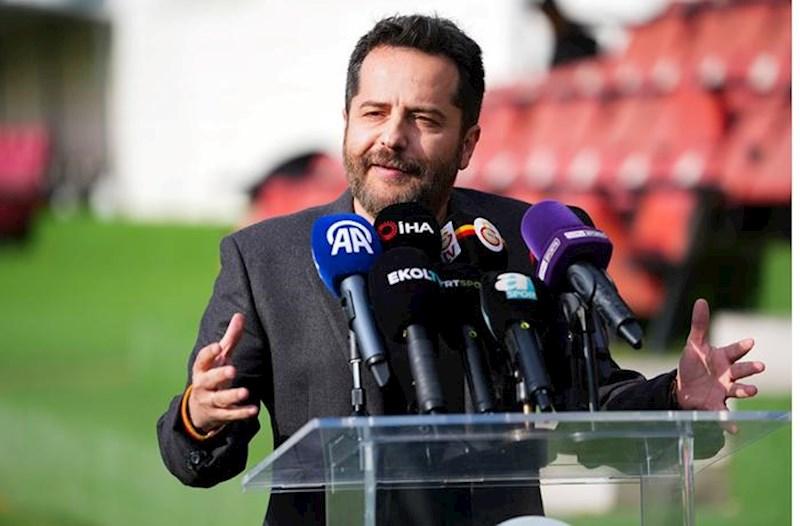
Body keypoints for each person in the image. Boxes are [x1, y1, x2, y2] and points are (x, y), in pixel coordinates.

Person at [157, 14, 765, 526]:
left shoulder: (523, 243)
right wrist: (200, 416)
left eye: (423, 119)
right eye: (374, 113)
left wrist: (675, 397)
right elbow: (195, 459)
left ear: (468, 143)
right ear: (347, 122)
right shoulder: (265, 259)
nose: (392, 137)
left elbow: (590, 408)